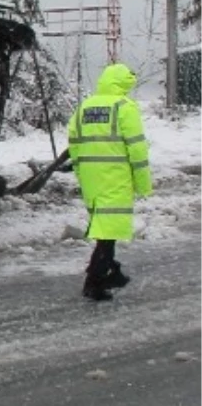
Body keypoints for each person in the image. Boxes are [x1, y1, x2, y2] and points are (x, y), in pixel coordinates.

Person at [66, 63, 153, 302]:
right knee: (108, 232)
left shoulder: (85, 106)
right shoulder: (125, 107)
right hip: (115, 176)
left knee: (105, 229)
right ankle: (96, 280)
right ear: (123, 83)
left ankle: (109, 273)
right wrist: (144, 184)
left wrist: (80, 171)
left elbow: (73, 141)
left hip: (91, 178)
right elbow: (136, 149)